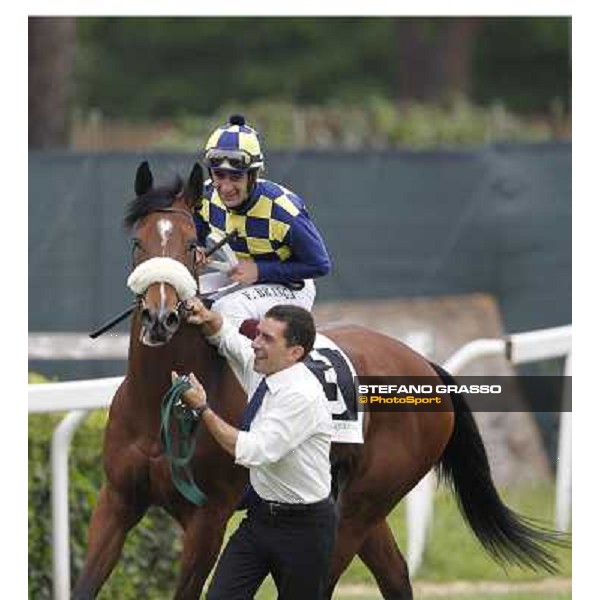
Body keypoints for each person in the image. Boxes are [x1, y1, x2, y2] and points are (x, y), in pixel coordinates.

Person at [173, 299, 336, 600]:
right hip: (260, 519)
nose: (255, 343)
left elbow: (252, 451)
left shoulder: (301, 396)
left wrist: (203, 409)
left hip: (305, 529)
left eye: (266, 339)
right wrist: (209, 318)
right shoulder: (266, 366)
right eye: (258, 333)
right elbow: (231, 341)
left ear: (294, 353)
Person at [193, 114, 332, 329]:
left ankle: (253, 363)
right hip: (237, 275)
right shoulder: (205, 195)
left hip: (290, 287)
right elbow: (198, 233)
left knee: (227, 309)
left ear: (253, 175)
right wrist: (197, 249)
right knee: (183, 297)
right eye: (219, 175)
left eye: (236, 177)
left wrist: (261, 270)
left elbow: (320, 265)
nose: (226, 188)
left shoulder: (283, 210)